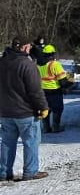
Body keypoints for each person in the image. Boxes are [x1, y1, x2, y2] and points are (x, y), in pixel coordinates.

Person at [0, 38, 49, 182]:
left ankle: (4, 172)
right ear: (23, 47)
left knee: (7, 142)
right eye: (28, 46)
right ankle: (30, 172)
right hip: (25, 112)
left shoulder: (2, 63)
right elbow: (35, 91)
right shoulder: (27, 65)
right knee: (31, 142)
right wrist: (43, 107)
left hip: (5, 111)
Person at [37, 45, 73, 133]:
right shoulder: (55, 64)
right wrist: (70, 81)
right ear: (52, 54)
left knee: (45, 109)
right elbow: (63, 82)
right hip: (54, 91)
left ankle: (46, 127)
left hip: (42, 91)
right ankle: (56, 127)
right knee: (57, 109)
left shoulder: (38, 65)